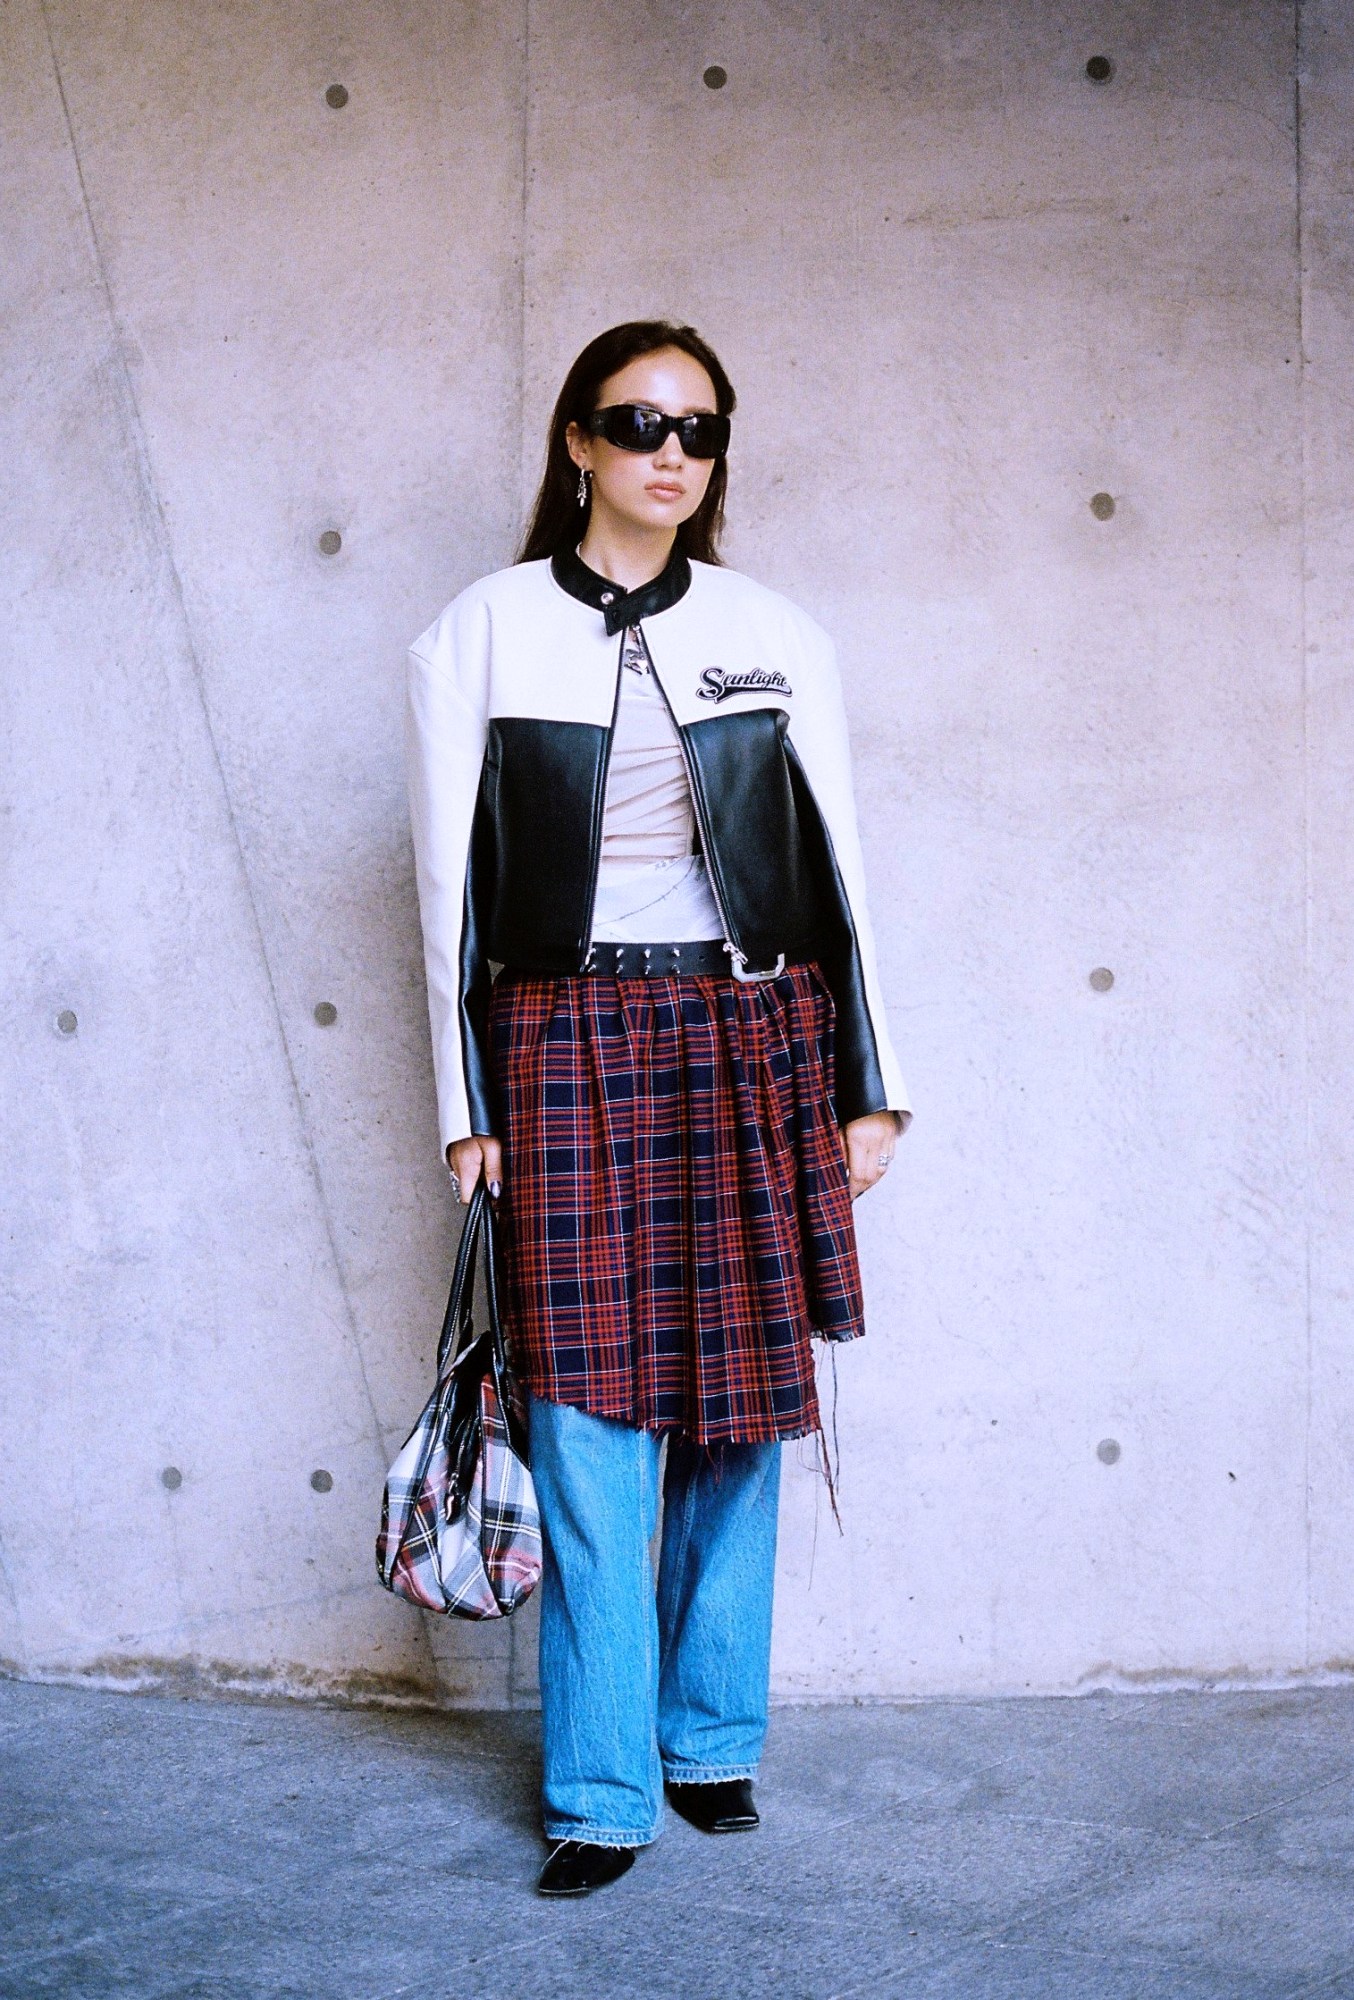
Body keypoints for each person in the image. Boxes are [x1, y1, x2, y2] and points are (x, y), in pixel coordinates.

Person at [405, 320, 909, 1897]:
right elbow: (444, 890)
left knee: (742, 1411)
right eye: (636, 424)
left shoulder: (773, 631)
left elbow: (839, 872)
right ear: (576, 443)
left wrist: (869, 1086)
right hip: (561, 1035)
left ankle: (710, 1743)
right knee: (585, 1419)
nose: (669, 455)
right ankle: (603, 1786)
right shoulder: (478, 632)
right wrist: (462, 1094)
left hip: (752, 1031)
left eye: (697, 429)